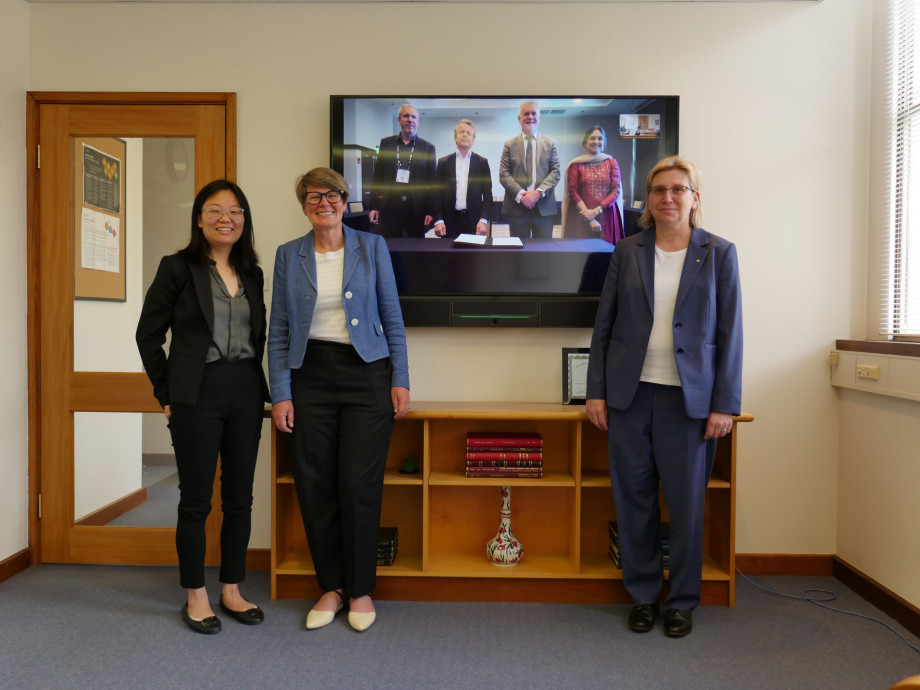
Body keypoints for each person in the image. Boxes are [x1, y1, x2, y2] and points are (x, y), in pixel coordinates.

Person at [585, 156, 742, 638]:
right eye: (658, 190)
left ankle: (682, 601)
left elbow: (730, 332)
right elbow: (604, 326)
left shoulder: (719, 252)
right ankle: (643, 595)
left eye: (678, 189)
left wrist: (725, 403)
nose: (667, 198)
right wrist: (596, 393)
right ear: (647, 200)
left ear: (695, 197)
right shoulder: (627, 251)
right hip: (630, 398)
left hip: (688, 403)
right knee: (634, 501)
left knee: (687, 504)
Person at [269, 167, 410, 633]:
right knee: (314, 485)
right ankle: (330, 586)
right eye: (313, 196)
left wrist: (400, 379)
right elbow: (279, 331)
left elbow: (392, 315)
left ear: (345, 200)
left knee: (357, 484)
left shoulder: (371, 247)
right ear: (303, 204)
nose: (323, 202)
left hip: (367, 374)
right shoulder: (288, 255)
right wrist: (281, 394)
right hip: (308, 376)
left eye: (332, 195)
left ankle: (361, 589)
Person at [136, 179, 269, 635]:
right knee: (195, 500)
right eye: (214, 211)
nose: (225, 219)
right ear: (199, 218)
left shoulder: (253, 272)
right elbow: (148, 335)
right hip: (196, 394)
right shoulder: (177, 268)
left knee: (239, 498)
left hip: (246, 391)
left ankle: (231, 589)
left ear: (244, 221)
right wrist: (166, 393)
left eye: (234, 211)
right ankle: (196, 595)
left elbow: (260, 336)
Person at [369, 104, 437, 238]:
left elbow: (433, 183)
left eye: (413, 117)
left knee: (415, 249)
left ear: (418, 122)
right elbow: (378, 177)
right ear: (399, 120)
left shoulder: (428, 148)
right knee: (391, 247)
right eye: (406, 116)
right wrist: (374, 206)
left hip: (416, 208)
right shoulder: (386, 144)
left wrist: (431, 211)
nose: (410, 120)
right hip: (390, 207)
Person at [498, 99, 561, 239]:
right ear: (519, 119)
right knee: (519, 254)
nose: (530, 117)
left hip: (543, 208)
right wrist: (522, 195)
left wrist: (537, 194)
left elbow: (555, 172)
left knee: (543, 254)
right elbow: (504, 174)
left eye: (534, 113)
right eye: (526, 114)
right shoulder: (509, 144)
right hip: (517, 208)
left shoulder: (550, 143)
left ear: (539, 117)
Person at [562, 126, 625, 244]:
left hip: (606, 216)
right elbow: (573, 191)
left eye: (600, 138)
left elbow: (616, 190)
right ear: (585, 143)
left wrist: (596, 211)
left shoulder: (611, 163)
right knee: (581, 253)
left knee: (605, 253)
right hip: (581, 217)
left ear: (604, 142)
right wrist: (588, 216)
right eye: (592, 138)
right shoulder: (576, 164)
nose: (596, 141)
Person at [431, 119, 493, 238]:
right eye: (461, 132)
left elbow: (487, 196)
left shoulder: (482, 163)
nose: (465, 135)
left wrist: (483, 220)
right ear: (455, 138)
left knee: (472, 256)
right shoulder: (444, 162)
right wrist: (438, 220)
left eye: (468, 133)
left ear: (473, 140)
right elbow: (436, 194)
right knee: (449, 255)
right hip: (449, 221)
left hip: (474, 221)